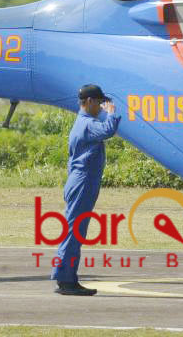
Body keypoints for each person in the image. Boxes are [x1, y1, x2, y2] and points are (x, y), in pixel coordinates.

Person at [51, 84, 121, 296]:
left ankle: (67, 278)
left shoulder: (84, 122)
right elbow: (108, 130)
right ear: (89, 101)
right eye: (99, 102)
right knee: (74, 231)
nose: (101, 106)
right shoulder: (88, 124)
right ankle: (66, 280)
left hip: (81, 181)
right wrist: (112, 114)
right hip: (82, 182)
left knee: (75, 230)